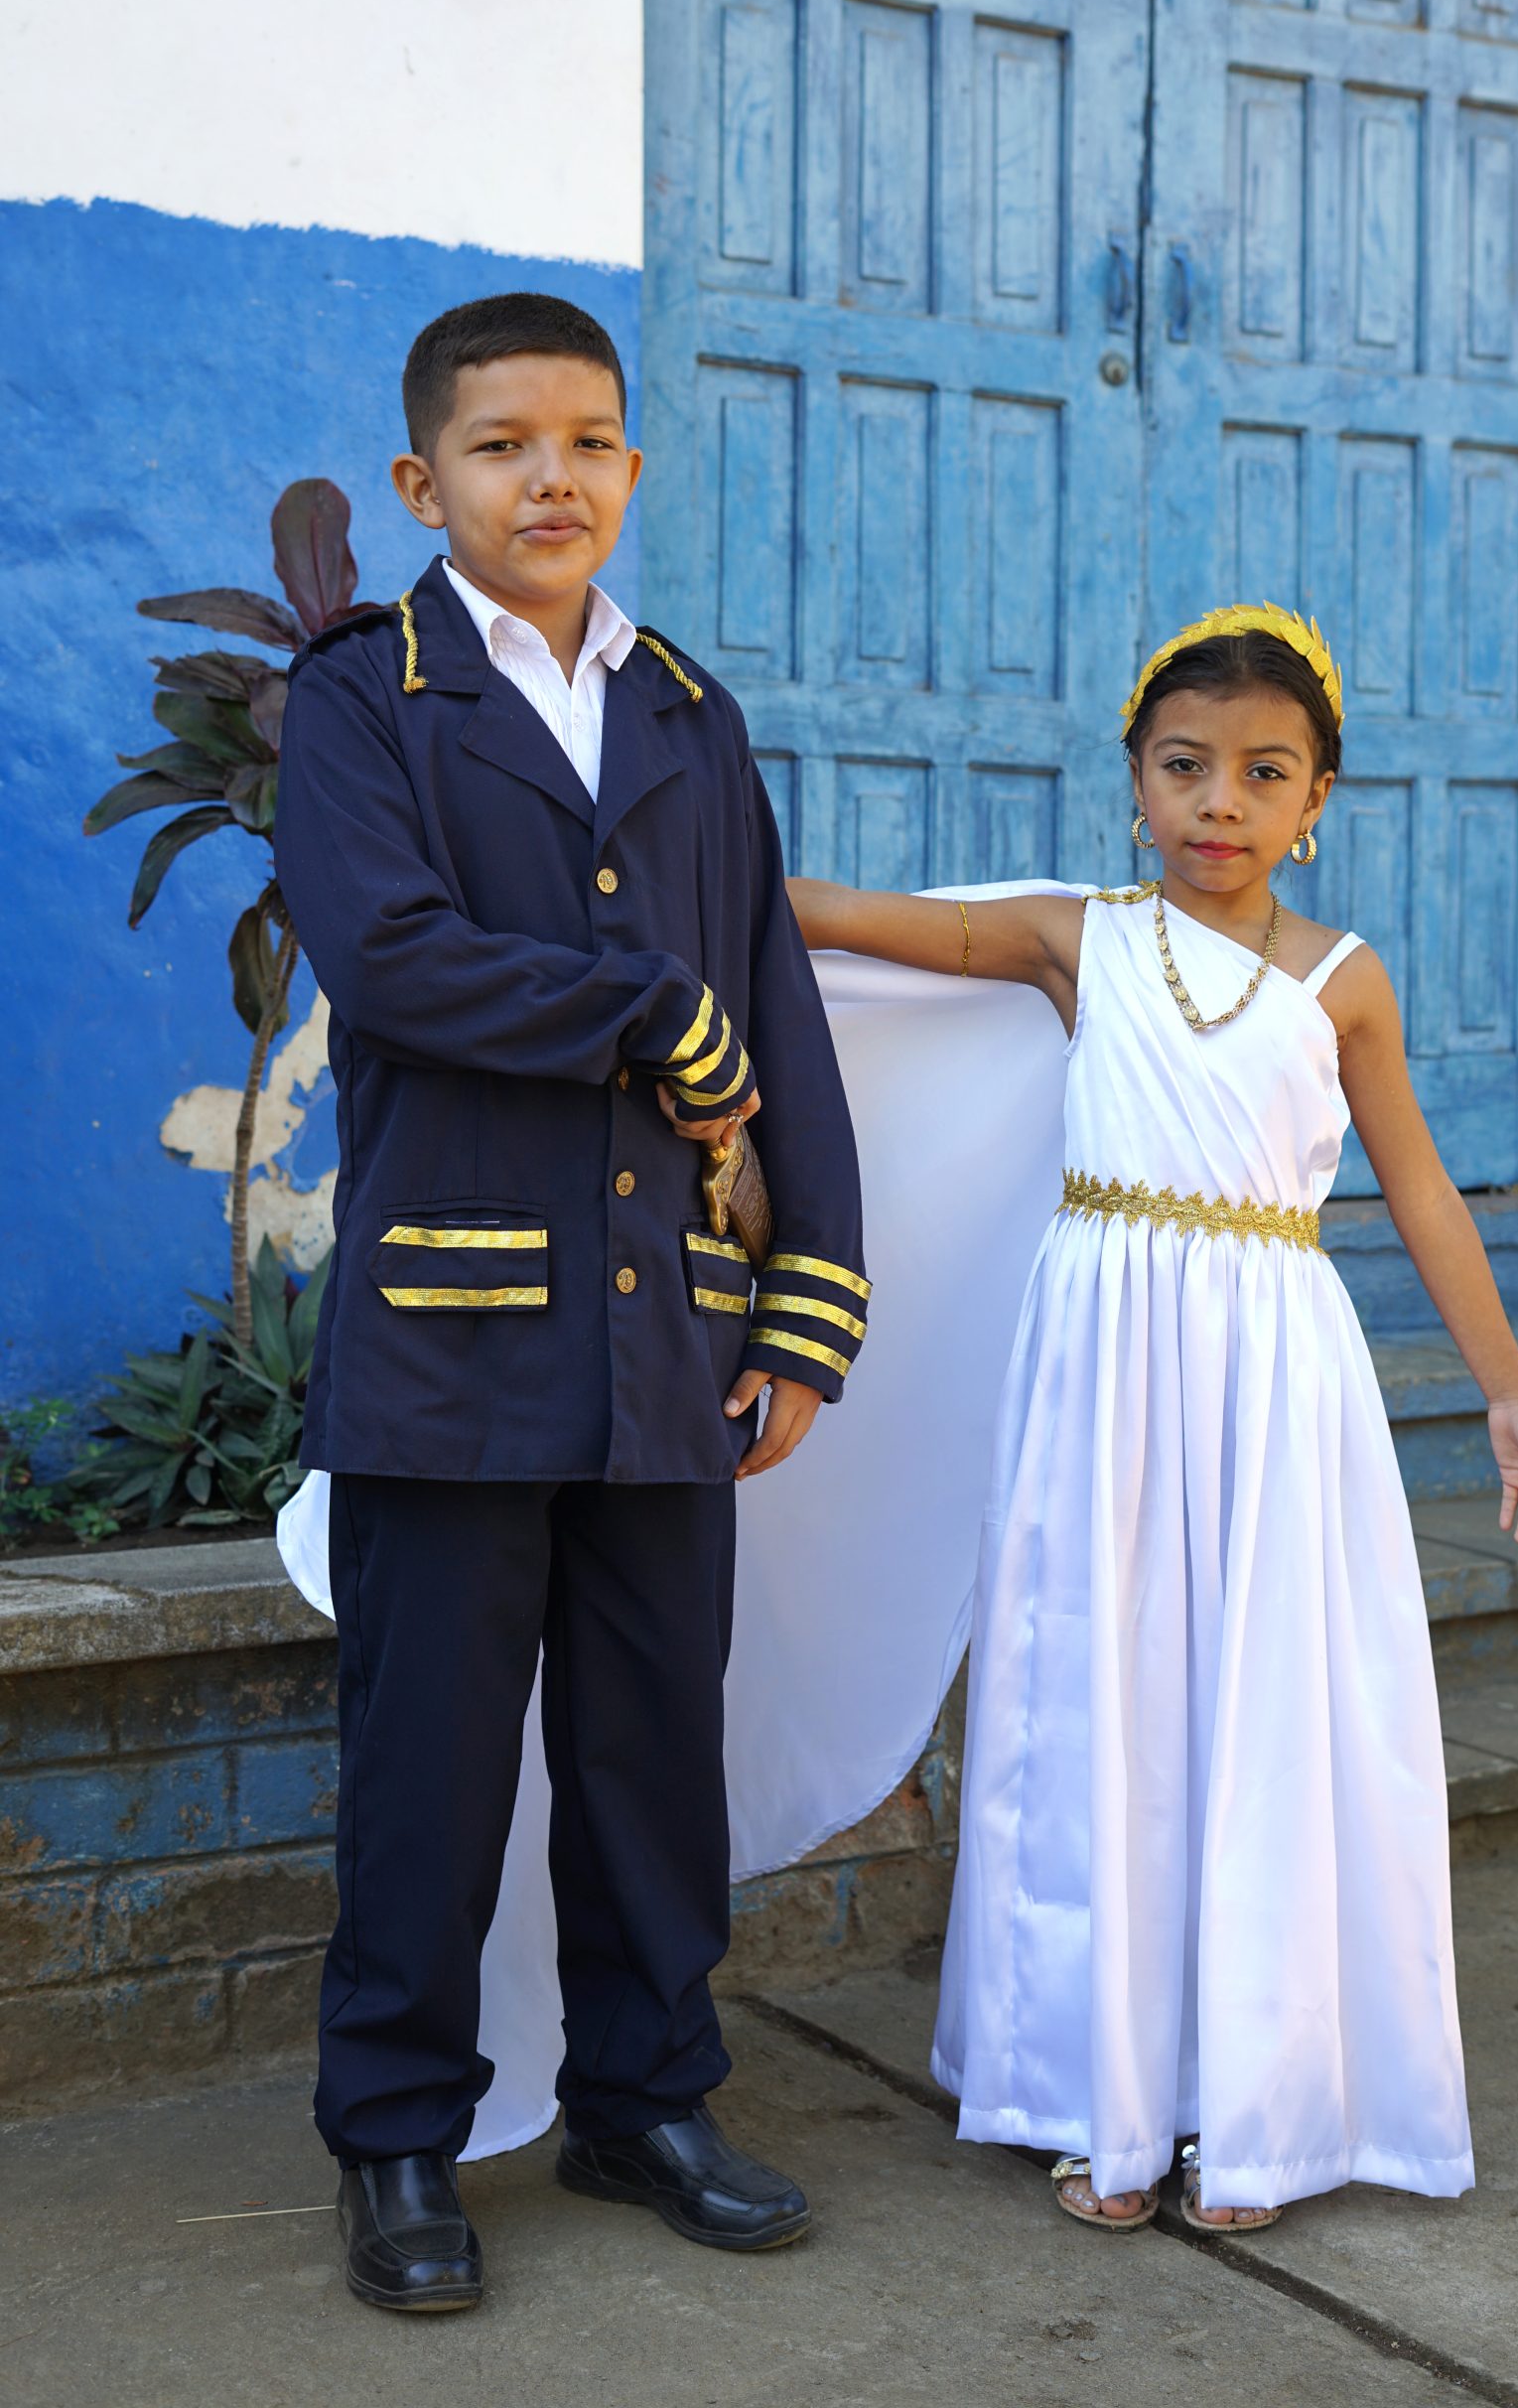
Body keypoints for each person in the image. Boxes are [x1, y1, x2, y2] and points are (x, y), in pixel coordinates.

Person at [785, 604, 1518, 2234]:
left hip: (1274, 1373)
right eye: (1185, 765)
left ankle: (1261, 2108)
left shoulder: (1345, 984)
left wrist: (1512, 1391)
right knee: (1105, 1705)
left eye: (1263, 772)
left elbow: (1423, 1191)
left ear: (1318, 800)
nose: (1221, 800)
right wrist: (630, 858)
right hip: (1100, 1369)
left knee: (1265, 1712)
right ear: (1136, 780)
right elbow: (834, 919)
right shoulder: (1071, 940)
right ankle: (1102, 2094)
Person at [273, 291, 870, 2314]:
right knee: (427, 1766)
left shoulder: (688, 711)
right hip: (449, 1344)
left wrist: (804, 1304)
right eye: (505, 441)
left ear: (631, 461)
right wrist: (645, 1011)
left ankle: (644, 2097)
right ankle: (396, 2136)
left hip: (664, 1338)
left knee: (649, 1753)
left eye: (590, 440)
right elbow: (390, 956)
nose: (554, 476)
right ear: (419, 477)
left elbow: (776, 1012)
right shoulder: (365, 698)